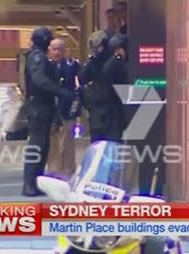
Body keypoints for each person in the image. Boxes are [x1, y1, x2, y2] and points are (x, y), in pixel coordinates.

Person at [22, 27, 75, 196]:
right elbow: (39, 80)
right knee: (37, 145)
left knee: (42, 146)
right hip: (39, 106)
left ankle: (34, 182)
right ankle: (30, 183)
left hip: (43, 106)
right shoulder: (37, 57)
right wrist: (59, 92)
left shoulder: (40, 56)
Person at [79, 30, 129, 143]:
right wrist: (93, 60)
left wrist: (115, 58)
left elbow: (110, 74)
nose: (97, 50)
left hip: (113, 109)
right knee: (97, 144)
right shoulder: (94, 62)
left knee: (113, 145)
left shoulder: (116, 61)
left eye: (99, 47)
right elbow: (83, 77)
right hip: (97, 110)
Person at [46, 38, 81, 179]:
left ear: (64, 50)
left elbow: (80, 81)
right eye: (53, 49)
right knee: (53, 143)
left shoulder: (72, 65)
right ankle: (54, 171)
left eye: (59, 49)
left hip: (67, 110)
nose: (56, 52)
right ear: (50, 51)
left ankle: (68, 170)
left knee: (67, 142)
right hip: (52, 110)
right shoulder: (46, 67)